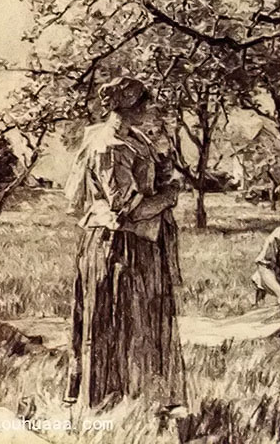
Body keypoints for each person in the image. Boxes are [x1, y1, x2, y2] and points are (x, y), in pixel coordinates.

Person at [62, 76, 186, 411]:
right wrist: (169, 197)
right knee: (115, 323)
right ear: (123, 108)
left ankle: (143, 399)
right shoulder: (108, 145)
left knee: (140, 323)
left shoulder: (136, 137)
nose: (147, 108)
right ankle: (108, 400)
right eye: (141, 102)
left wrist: (164, 167)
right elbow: (128, 206)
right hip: (116, 246)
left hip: (139, 244)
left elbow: (155, 177)